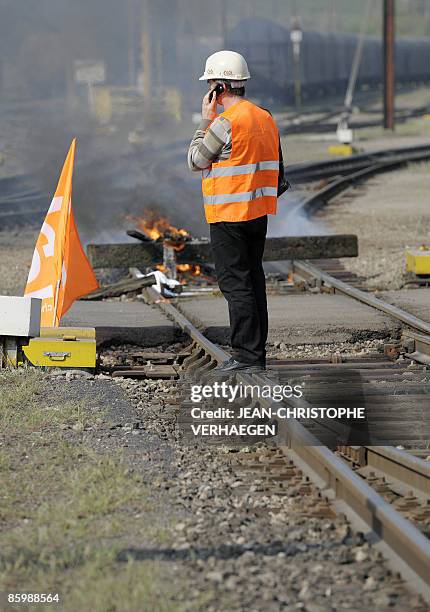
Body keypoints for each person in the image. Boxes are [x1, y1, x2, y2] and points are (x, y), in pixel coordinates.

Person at [187, 51, 280, 374]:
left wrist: (204, 119)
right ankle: (256, 353)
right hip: (258, 211)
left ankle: (246, 355)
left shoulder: (225, 123)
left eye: (211, 83)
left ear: (219, 87)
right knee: (254, 280)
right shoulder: (264, 117)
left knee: (236, 284)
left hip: (228, 214)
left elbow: (196, 160)